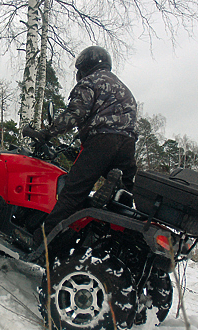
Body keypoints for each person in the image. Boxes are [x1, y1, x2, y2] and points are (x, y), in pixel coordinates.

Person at [33, 45, 138, 240]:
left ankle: (44, 243)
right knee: (125, 200)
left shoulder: (91, 82)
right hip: (127, 144)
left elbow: (76, 113)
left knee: (73, 193)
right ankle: (118, 241)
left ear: (85, 65)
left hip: (101, 141)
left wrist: (46, 133)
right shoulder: (125, 90)